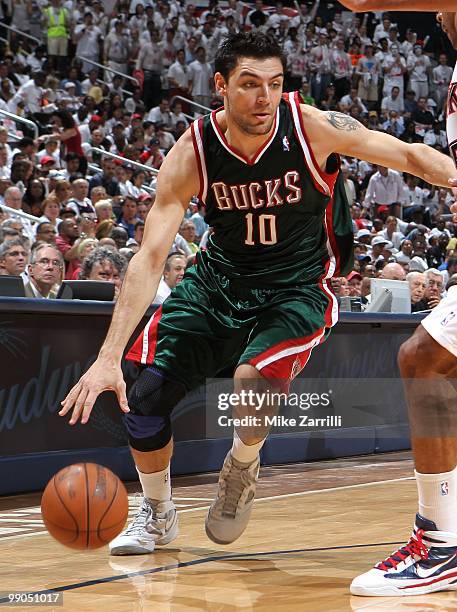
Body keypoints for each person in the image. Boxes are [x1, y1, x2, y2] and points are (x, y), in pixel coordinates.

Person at [60, 31, 457, 562]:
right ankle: (159, 513)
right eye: (249, 85)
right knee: (143, 395)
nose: (264, 97)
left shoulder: (312, 126)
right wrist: (107, 356)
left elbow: (409, 155)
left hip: (292, 286)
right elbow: (150, 256)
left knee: (251, 381)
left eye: (274, 84)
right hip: (216, 282)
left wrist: (452, 173)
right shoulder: (193, 150)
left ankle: (243, 463)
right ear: (221, 87)